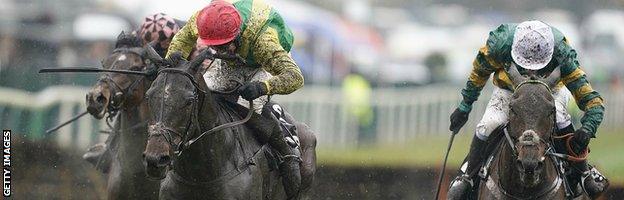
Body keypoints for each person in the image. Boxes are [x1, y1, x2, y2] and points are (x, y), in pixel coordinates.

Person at [447, 20, 608, 199]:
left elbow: (593, 101)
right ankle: (468, 177)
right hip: (510, 90)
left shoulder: (562, 52)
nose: (531, 72)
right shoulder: (500, 43)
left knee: (562, 121)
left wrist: (587, 129)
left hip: (550, 91)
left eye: (537, 67)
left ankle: (583, 174)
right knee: (486, 126)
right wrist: (465, 106)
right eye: (525, 66)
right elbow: (479, 72)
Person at [165, 0, 304, 198]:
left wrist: (262, 87)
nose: (219, 52)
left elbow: (295, 78)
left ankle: (286, 154)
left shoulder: (265, 43)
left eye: (223, 46)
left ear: (236, 35)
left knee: (252, 106)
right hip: (238, 50)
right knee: (203, 94)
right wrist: (172, 61)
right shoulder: (203, 20)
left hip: (261, 62)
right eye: (215, 47)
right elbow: (181, 40)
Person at [82, 13, 184, 170]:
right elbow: (128, 58)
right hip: (147, 78)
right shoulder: (141, 34)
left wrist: (160, 68)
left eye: (163, 45)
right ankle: (109, 146)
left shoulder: (186, 36)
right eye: (154, 45)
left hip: (178, 77)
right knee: (127, 96)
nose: (159, 47)